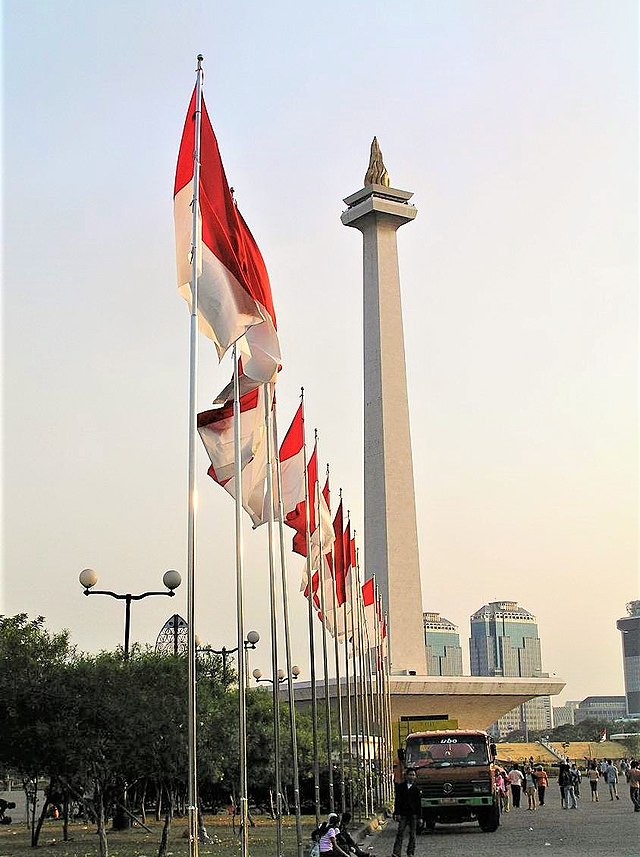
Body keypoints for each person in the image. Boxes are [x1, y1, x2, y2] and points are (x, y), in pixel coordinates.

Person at [392, 768, 421, 857]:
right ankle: (396, 852)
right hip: (403, 814)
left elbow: (418, 804)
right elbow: (397, 801)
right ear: (406, 776)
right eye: (410, 775)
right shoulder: (400, 787)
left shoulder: (416, 789)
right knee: (400, 833)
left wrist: (420, 817)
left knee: (412, 834)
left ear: (415, 777)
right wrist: (396, 813)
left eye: (413, 775)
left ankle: (410, 852)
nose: (411, 777)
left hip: (413, 814)